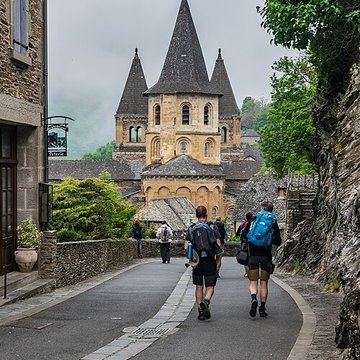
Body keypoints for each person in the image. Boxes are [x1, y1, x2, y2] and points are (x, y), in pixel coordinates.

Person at [242, 201, 281, 318]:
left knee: (253, 282)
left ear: (262, 208)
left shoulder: (254, 218)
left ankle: (254, 298)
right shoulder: (272, 222)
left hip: (252, 255)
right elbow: (278, 241)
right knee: (264, 283)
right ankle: (262, 308)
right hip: (266, 256)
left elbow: (244, 235)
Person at [184, 206, 222, 321]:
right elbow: (218, 245)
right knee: (210, 286)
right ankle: (206, 301)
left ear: (196, 216)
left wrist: (192, 257)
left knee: (199, 286)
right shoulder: (212, 226)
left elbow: (186, 247)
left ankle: (200, 312)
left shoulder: (191, 228)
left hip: (197, 262)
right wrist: (218, 260)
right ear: (206, 215)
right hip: (209, 260)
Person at [236, 211, 253, 277]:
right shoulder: (254, 224)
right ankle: (252, 271)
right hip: (252, 242)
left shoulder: (242, 225)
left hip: (244, 243)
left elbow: (237, 234)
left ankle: (246, 272)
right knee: (251, 256)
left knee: (244, 257)